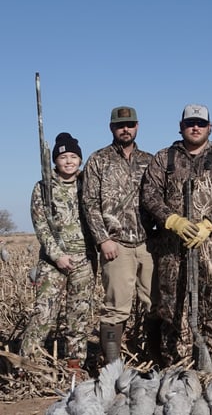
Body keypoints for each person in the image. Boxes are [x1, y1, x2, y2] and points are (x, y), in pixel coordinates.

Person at [141, 104, 212, 368]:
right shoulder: (164, 158)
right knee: (174, 305)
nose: (194, 127)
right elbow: (149, 195)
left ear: (210, 127)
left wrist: (210, 223)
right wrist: (171, 220)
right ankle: (179, 364)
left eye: (200, 123)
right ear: (181, 126)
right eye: (189, 123)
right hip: (173, 248)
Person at [82, 106, 155, 364]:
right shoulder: (98, 160)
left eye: (131, 124)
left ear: (137, 127)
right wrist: (103, 239)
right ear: (111, 128)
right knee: (115, 309)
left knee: (154, 304)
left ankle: (154, 359)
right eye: (120, 125)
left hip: (148, 244)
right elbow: (89, 203)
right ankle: (112, 367)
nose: (126, 129)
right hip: (116, 245)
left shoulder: (150, 160)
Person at [21, 133, 96, 374]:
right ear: (55, 161)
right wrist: (57, 256)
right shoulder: (43, 187)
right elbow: (41, 225)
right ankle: (26, 365)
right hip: (53, 263)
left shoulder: (89, 184)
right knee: (44, 315)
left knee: (78, 317)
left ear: (80, 159)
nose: (69, 161)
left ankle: (74, 366)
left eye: (73, 156)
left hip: (84, 261)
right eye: (63, 157)